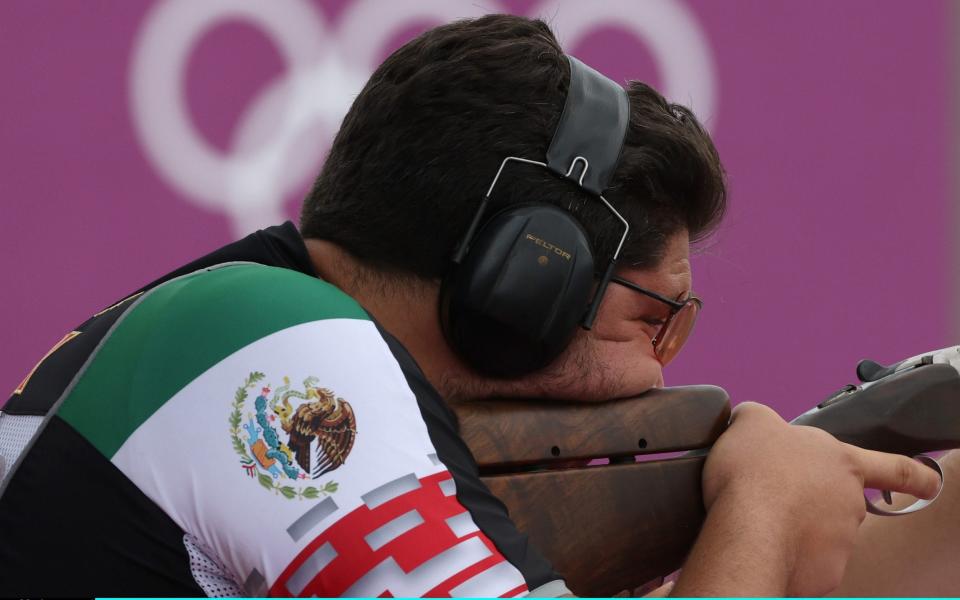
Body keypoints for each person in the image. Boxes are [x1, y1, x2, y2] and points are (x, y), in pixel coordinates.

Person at [0, 14, 943, 597]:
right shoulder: (281, 354)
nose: (663, 371)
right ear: (532, 277)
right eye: (658, 316)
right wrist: (763, 508)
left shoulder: (223, 333)